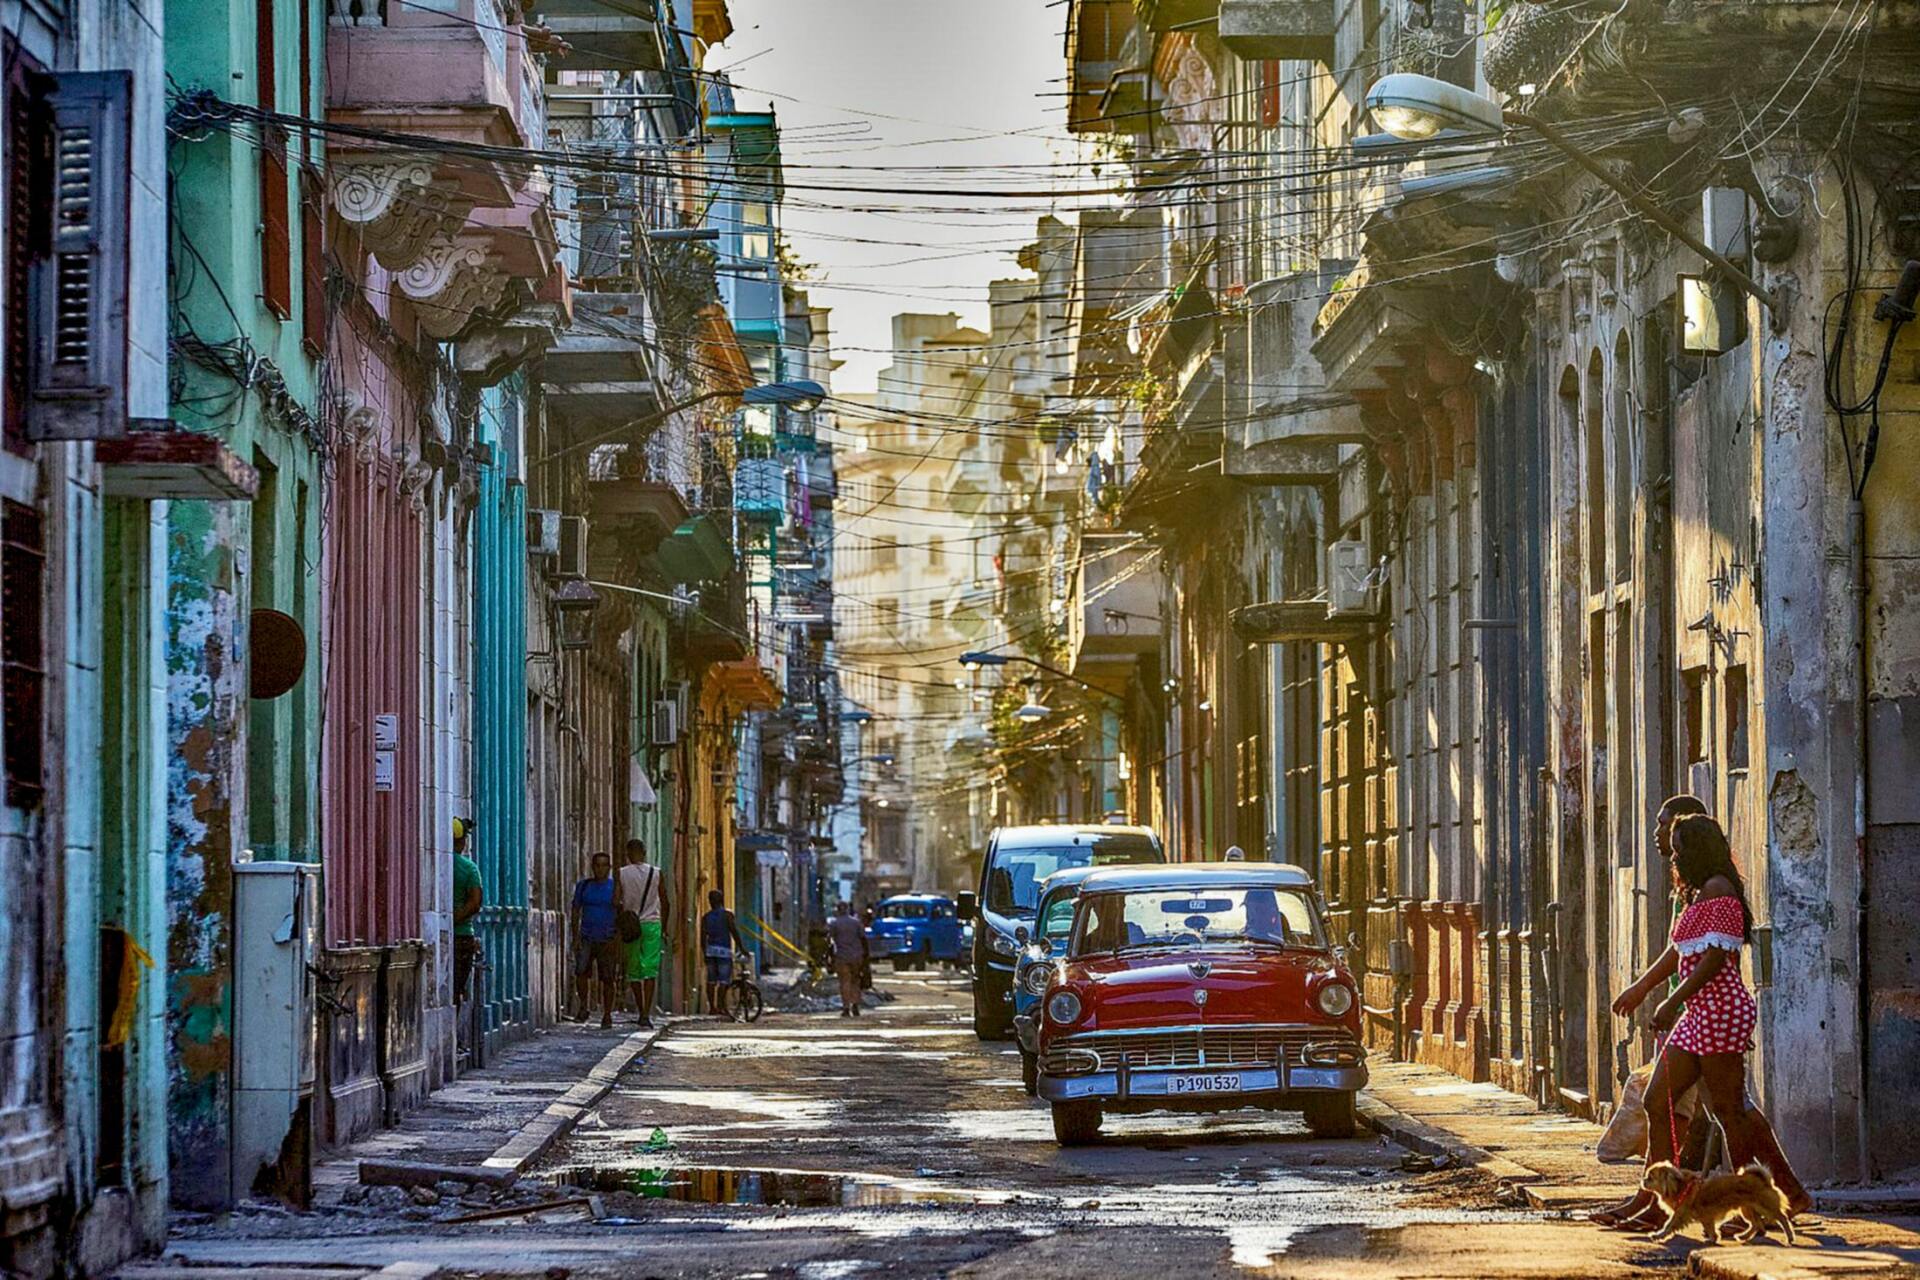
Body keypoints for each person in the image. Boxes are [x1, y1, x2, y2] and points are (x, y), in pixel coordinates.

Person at [1599, 814, 1810, 1230]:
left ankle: (1753, 1205)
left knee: (1730, 1113)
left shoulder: (1720, 891)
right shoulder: (1697, 895)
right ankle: (1658, 1196)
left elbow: (1714, 960)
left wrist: (1670, 1001)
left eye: (1678, 849)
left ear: (1697, 849)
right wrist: (1642, 989)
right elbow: (1680, 952)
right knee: (1656, 1100)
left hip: (1721, 1011)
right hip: (1698, 1014)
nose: (1674, 858)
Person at [616, 838, 667, 1027]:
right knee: (650, 970)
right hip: (652, 924)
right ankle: (646, 1012)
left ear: (628, 854)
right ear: (644, 853)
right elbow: (665, 900)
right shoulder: (657, 873)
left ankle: (640, 1010)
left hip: (631, 925)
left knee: (634, 971)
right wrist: (666, 927)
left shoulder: (621, 873)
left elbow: (615, 900)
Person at [570, 853, 621, 1028]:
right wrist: (575, 936)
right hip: (586, 937)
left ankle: (607, 1014)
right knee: (581, 972)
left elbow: (621, 913)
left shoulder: (615, 888)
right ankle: (583, 1006)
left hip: (607, 938)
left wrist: (617, 938)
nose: (600, 869)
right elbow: (576, 910)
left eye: (604, 865)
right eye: (597, 865)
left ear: (609, 868)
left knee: (607, 978)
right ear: (593, 867)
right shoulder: (584, 887)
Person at [700, 890, 749, 1018]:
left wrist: (704, 952)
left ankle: (712, 1007)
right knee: (723, 981)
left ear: (710, 901)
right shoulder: (727, 915)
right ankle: (721, 1007)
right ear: (722, 900)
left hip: (710, 950)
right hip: (724, 951)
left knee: (711, 981)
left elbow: (702, 937)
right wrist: (741, 948)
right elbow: (734, 931)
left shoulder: (706, 917)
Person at [452, 818, 483, 1004]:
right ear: (462, 841)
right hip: (462, 936)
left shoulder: (437, 862)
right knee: (457, 989)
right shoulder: (469, 868)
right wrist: (455, 920)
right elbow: (475, 903)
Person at [827, 900, 868, 1017]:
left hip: (842, 956)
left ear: (838, 910)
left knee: (844, 982)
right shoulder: (856, 923)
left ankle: (846, 1007)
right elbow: (863, 939)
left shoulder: (834, 924)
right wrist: (865, 956)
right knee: (856, 981)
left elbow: (830, 942)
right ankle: (855, 1005)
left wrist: (829, 958)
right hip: (856, 956)